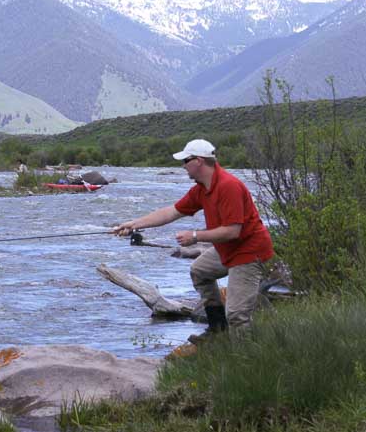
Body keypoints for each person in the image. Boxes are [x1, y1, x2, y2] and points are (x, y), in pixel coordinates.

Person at [113, 139, 274, 342]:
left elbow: (233, 231)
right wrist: (134, 224)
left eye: (185, 161)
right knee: (199, 271)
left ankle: (246, 360)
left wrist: (195, 236)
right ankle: (217, 330)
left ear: (198, 161)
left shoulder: (228, 186)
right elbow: (171, 212)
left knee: (237, 315)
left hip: (249, 252)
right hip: (228, 249)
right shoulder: (201, 188)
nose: (183, 166)